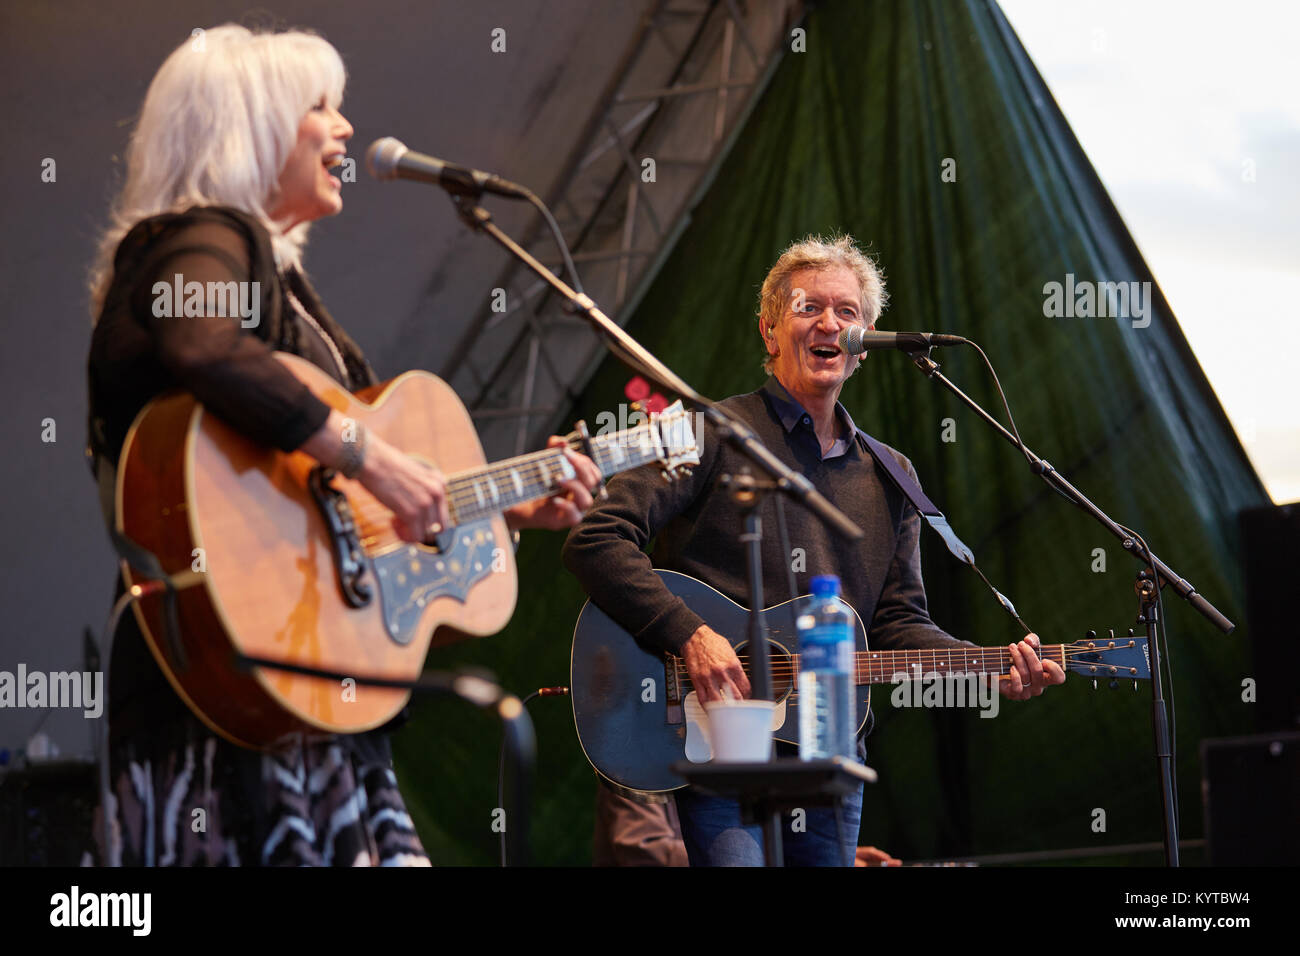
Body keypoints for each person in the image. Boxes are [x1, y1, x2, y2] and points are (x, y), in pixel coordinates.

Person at [85, 24, 601, 866]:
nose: (346, 129)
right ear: (250, 130)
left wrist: (502, 509)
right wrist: (374, 456)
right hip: (228, 684)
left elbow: (346, 522)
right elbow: (203, 347)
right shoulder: (198, 238)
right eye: (320, 107)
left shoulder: (284, 283)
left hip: (300, 699)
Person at [563, 234, 1065, 866]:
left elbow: (897, 624)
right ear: (771, 333)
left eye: (847, 312)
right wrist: (690, 633)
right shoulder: (709, 431)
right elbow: (597, 537)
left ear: (866, 343)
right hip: (718, 743)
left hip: (829, 754)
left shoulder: (893, 474)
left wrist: (984, 664)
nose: (830, 322)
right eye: (808, 308)